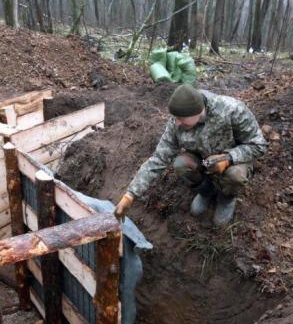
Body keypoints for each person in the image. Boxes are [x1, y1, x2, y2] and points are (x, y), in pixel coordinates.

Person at [114, 84, 268, 227]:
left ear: (198, 112)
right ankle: (207, 191)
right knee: (181, 164)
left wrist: (228, 158)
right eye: (175, 118)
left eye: (181, 119)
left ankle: (226, 198)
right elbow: (158, 158)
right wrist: (130, 195)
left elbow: (259, 145)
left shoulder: (231, 109)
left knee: (235, 176)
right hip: (203, 161)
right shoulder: (177, 122)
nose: (177, 123)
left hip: (235, 161)